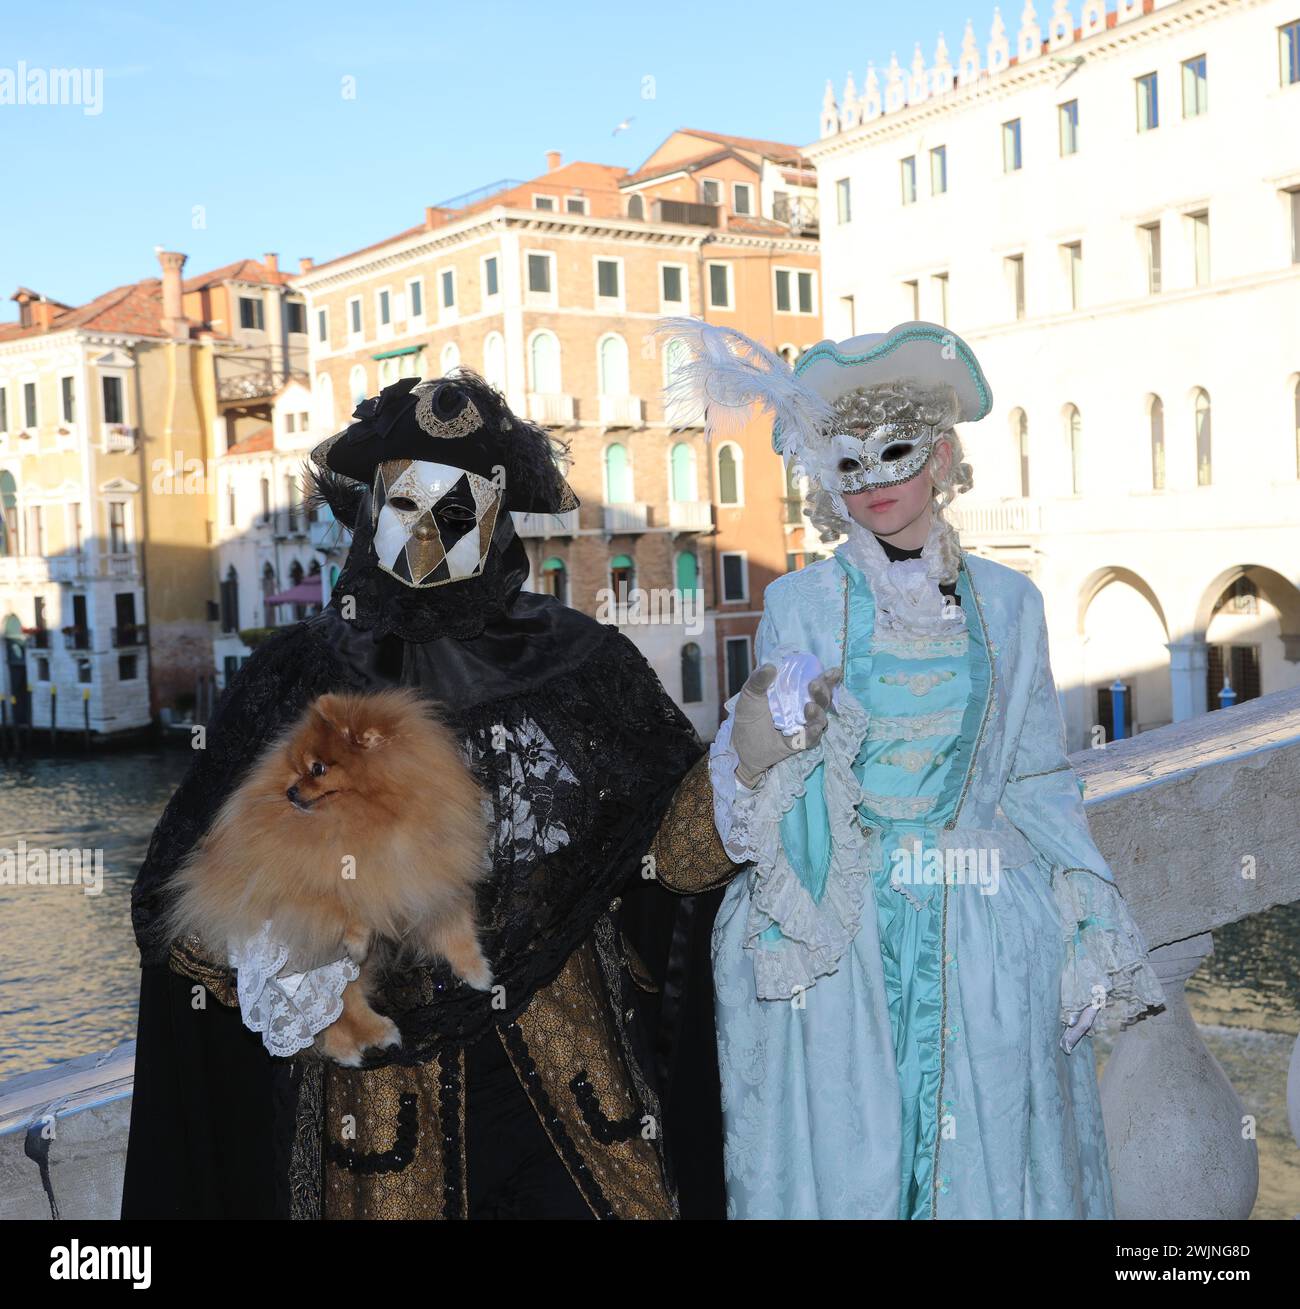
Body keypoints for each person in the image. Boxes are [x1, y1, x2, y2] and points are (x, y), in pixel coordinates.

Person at [121, 370, 741, 1219]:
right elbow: (187, 903)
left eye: (457, 505)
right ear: (369, 507)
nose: (427, 529)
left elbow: (669, 862)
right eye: (405, 501)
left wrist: (748, 761)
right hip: (378, 1115)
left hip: (571, 1097)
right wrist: (279, 939)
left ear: (497, 515)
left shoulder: (584, 664)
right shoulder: (298, 677)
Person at [656, 317, 1165, 1219]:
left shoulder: (1012, 604)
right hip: (841, 939)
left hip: (982, 932)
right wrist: (767, 737)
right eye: (847, 465)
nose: (875, 484)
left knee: (988, 1163)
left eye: (893, 455)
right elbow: (771, 779)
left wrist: (1085, 900)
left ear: (938, 454)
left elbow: (1037, 772)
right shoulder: (801, 604)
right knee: (853, 1164)